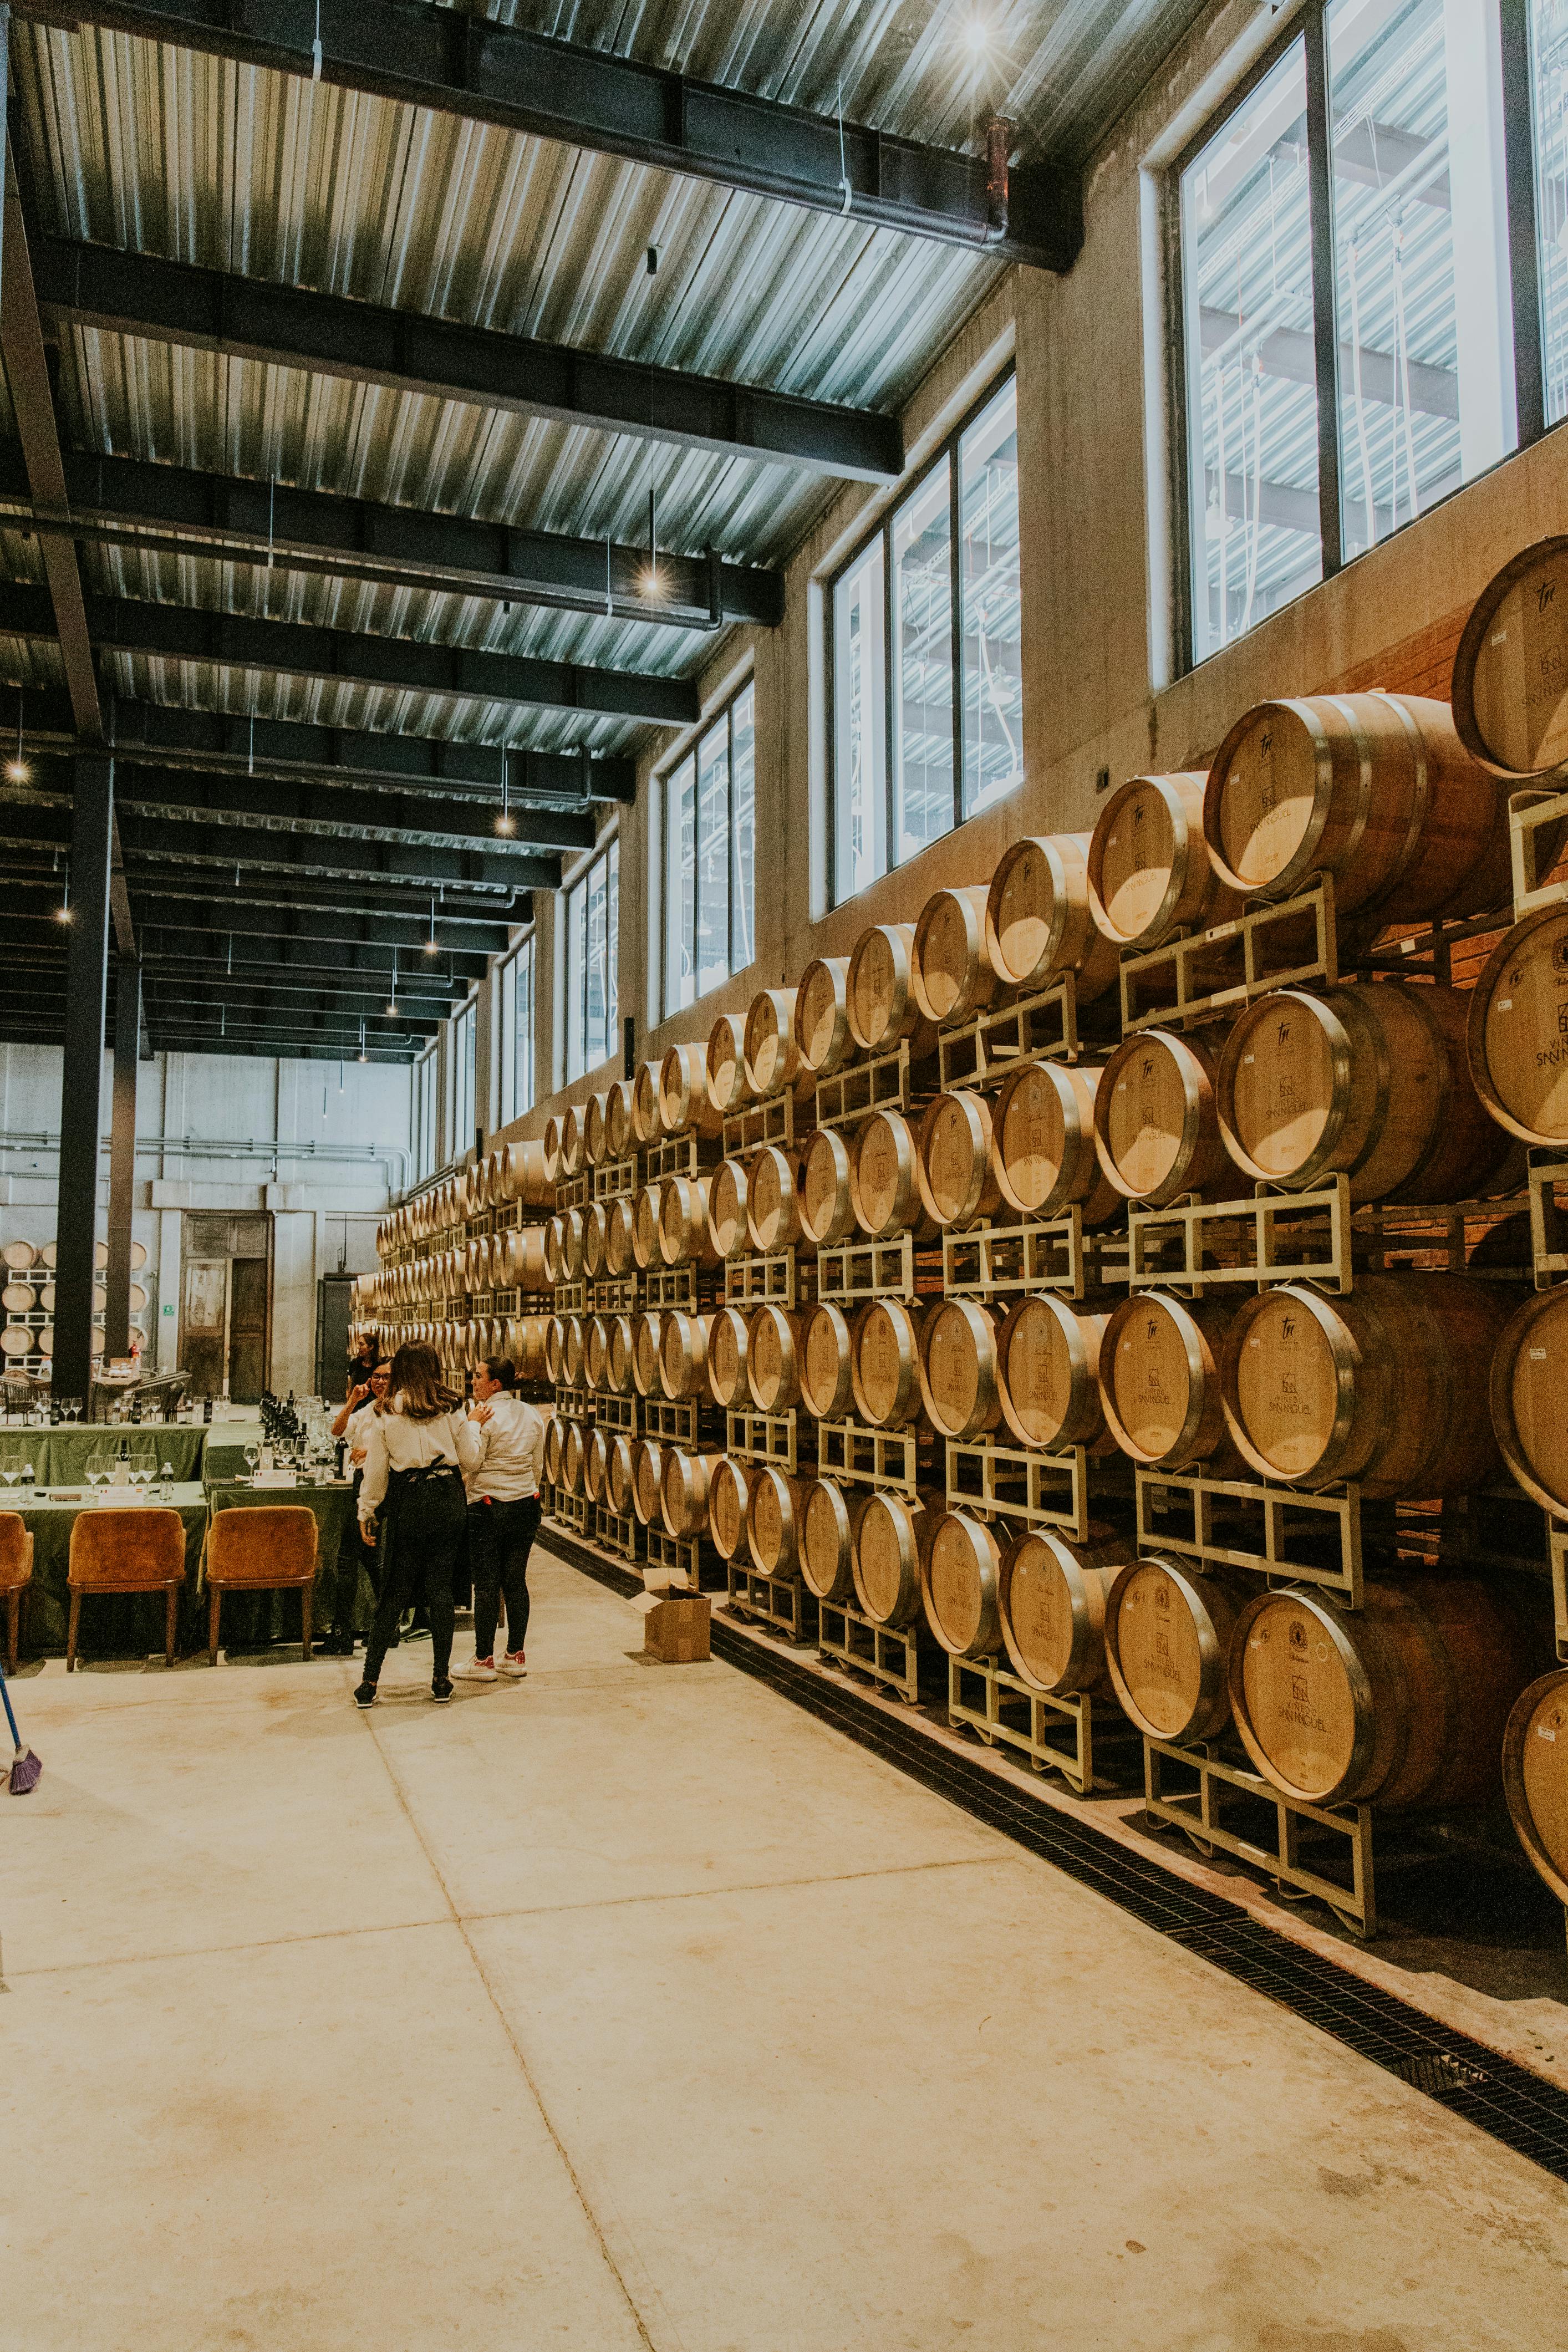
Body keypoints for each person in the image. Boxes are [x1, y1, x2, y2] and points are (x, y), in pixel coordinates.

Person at [353, 1342, 476, 1709]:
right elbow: (469, 1459)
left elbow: (376, 1471)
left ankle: (369, 1683)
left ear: (402, 1371)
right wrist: (477, 1433)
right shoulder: (453, 1406)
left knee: (394, 1590)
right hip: (446, 1498)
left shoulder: (386, 1410)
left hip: (408, 1499)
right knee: (440, 1590)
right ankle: (441, 1680)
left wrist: (367, 1511)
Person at [453, 1357, 545, 1684]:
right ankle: (515, 1655)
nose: (473, 1381)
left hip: (489, 1505)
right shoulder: (531, 1413)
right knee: (516, 1580)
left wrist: (472, 1424)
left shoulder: (485, 1415)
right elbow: (538, 1464)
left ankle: (483, 1659)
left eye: (478, 1377)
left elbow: (471, 1461)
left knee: (488, 1583)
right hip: (525, 1504)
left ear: (496, 1385)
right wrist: (523, 1487)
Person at [323, 1360, 390, 1657]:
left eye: (386, 1378)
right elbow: (337, 1430)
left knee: (349, 1559)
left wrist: (371, 1452)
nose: (379, 1382)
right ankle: (386, 1630)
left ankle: (342, 1635)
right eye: (376, 1376)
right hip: (362, 1483)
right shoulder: (368, 1409)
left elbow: (404, 1451)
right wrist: (352, 1400)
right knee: (369, 1559)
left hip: (380, 1488)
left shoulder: (399, 1411)